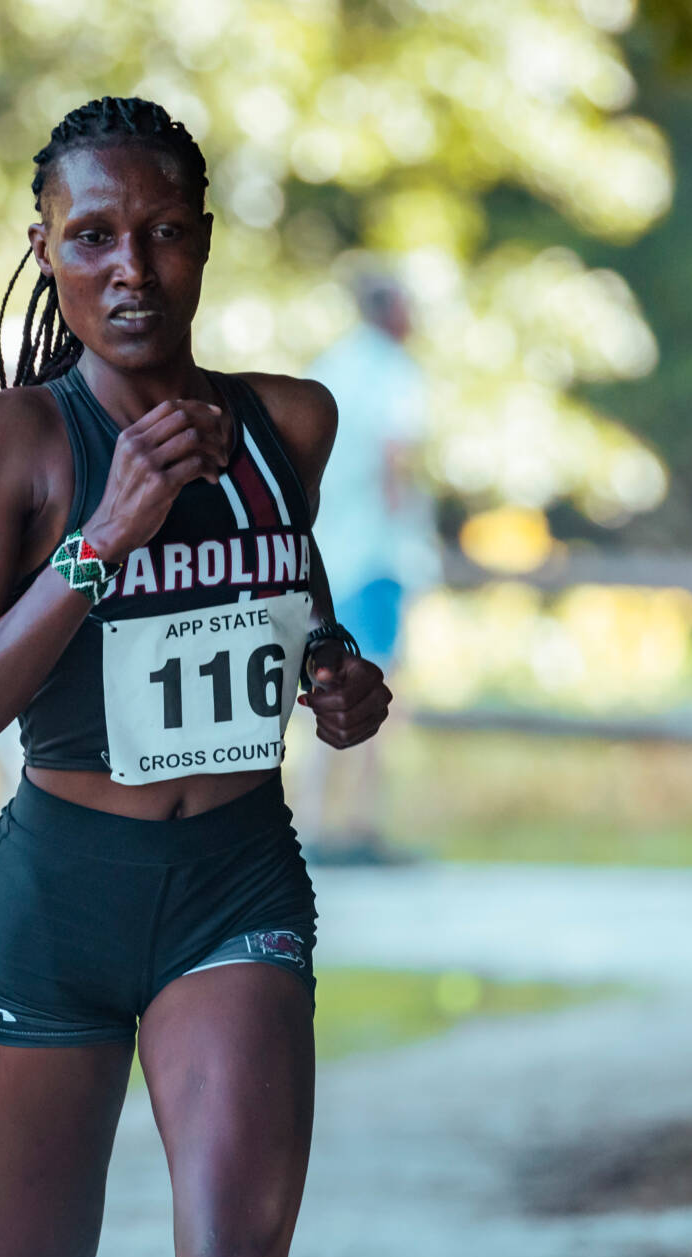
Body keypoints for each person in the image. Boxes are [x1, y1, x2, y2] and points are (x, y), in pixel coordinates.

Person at [0, 97, 390, 1257]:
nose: (133, 268)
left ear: (206, 242)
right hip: (58, 896)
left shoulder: (292, 422)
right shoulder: (9, 441)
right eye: (97, 235)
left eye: (166, 233)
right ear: (46, 245)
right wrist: (102, 535)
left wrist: (336, 678)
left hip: (234, 885)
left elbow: (290, 609)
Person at [294, 269, 436, 865]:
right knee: (378, 683)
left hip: (326, 552)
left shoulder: (331, 364)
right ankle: (361, 824)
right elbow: (395, 457)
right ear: (396, 310)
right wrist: (412, 537)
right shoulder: (394, 372)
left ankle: (310, 820)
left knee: (323, 682)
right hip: (376, 552)